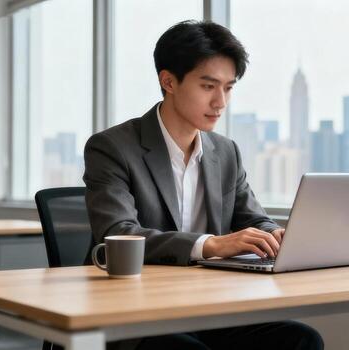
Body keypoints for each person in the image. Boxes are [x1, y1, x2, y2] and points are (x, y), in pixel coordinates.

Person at [83, 20, 324, 350]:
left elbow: (252, 219)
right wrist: (210, 245)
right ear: (168, 81)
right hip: (132, 312)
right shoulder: (112, 147)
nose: (221, 102)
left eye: (228, 87)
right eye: (208, 86)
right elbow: (119, 234)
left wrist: (276, 235)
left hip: (206, 306)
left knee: (301, 339)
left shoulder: (225, 152)